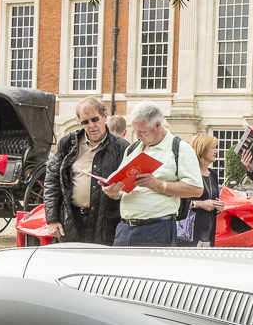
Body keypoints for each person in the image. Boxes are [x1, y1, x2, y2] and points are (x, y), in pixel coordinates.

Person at [103, 101, 204, 247]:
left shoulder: (180, 149)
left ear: (157, 125)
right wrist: (113, 192)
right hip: (125, 228)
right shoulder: (132, 149)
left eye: (142, 131)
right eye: (135, 130)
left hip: (157, 229)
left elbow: (196, 189)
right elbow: (123, 188)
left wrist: (158, 185)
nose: (137, 135)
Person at [43, 97, 131, 246]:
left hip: (106, 223)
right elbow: (52, 181)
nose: (91, 125)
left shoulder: (122, 147)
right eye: (85, 122)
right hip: (71, 220)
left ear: (105, 117)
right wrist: (52, 219)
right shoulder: (68, 144)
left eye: (95, 119)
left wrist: (119, 193)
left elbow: (133, 185)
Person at [182, 133, 225, 248]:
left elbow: (212, 200)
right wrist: (200, 204)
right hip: (190, 233)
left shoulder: (213, 175)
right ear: (203, 149)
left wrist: (218, 206)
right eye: (213, 148)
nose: (216, 151)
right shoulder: (188, 173)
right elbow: (177, 202)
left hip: (209, 233)